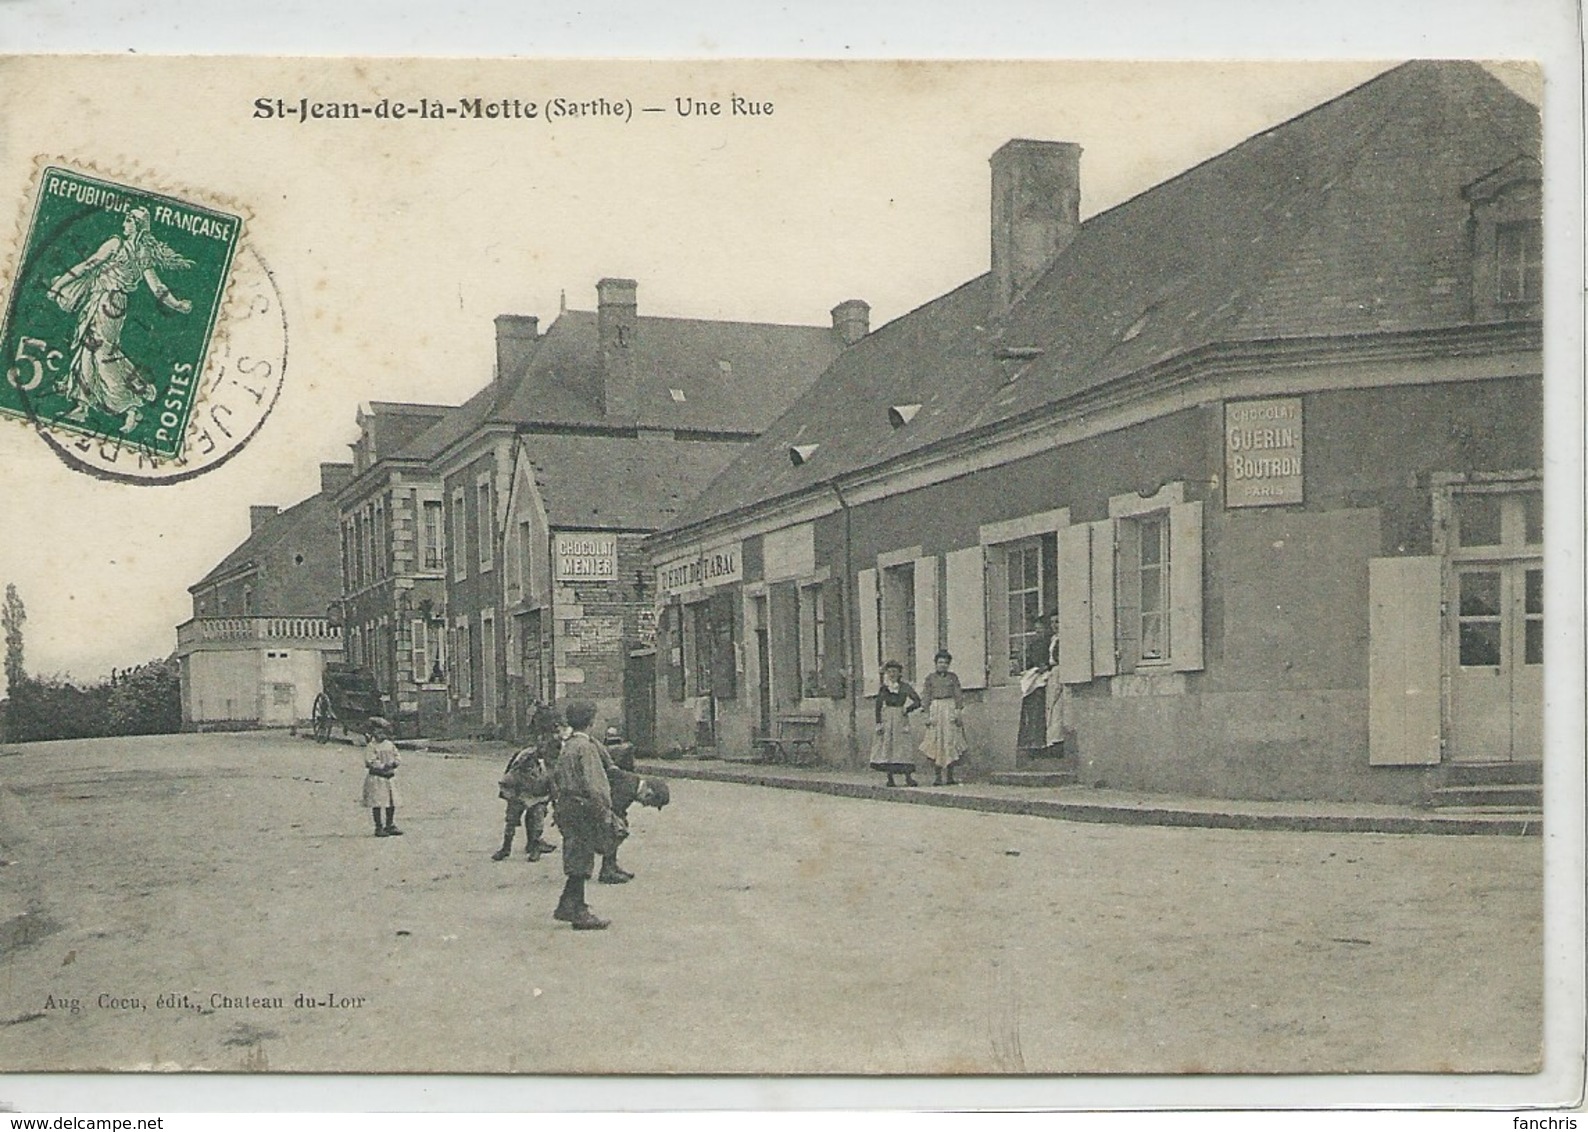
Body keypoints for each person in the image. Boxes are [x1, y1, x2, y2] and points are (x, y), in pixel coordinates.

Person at [46, 206, 194, 433]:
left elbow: (88, 265)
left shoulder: (116, 244)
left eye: (127, 221)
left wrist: (58, 285)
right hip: (112, 303)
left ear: (136, 225)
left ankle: (131, 404)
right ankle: (83, 405)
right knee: (92, 350)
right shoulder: (142, 253)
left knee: (102, 353)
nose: (123, 225)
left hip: (106, 302)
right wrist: (177, 304)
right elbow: (158, 288)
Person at [549, 701, 622, 930]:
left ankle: (569, 905)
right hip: (582, 807)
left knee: (576, 855)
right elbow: (595, 785)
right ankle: (577, 910)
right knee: (581, 858)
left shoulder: (567, 745)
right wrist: (605, 810)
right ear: (590, 721)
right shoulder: (586, 747)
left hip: (567, 805)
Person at [490, 704, 559, 862]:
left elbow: (553, 779)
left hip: (539, 790)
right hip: (520, 790)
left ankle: (534, 846)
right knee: (512, 818)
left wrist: (554, 800)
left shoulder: (552, 757)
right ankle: (506, 847)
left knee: (537, 817)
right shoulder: (526, 755)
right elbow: (511, 774)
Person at [1016, 612, 1062, 760]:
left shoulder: (1056, 640)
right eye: (1052, 623)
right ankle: (1039, 745)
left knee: (1054, 711)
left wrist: (1046, 666)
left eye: (1057, 622)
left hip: (1054, 675)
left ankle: (1052, 745)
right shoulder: (1042, 642)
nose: (1054, 626)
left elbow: (1054, 659)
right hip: (1043, 677)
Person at [869, 660, 922, 787]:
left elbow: (917, 701)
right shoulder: (884, 688)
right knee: (888, 746)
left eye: (895, 671)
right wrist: (879, 723)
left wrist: (907, 709)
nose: (892, 674)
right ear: (886, 673)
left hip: (900, 718)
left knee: (903, 746)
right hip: (887, 718)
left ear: (899, 673)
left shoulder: (904, 687)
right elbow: (878, 706)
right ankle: (890, 778)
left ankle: (908, 778)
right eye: (890, 672)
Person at [918, 649, 968, 786]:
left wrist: (958, 712)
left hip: (949, 708)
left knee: (951, 741)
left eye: (946, 663)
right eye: (940, 662)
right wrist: (926, 715)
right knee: (936, 742)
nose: (943, 665)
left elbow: (958, 695)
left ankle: (950, 776)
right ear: (935, 664)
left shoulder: (953, 677)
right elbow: (926, 696)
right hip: (936, 710)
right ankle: (938, 776)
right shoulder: (930, 678)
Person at [360, 717, 402, 837]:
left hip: (389, 777)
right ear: (372, 733)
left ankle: (390, 824)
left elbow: (397, 756)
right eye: (377, 732)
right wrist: (382, 766)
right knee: (377, 802)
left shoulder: (389, 745)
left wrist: (395, 762)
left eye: (383, 732)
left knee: (391, 801)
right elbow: (370, 761)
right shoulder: (371, 746)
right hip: (377, 778)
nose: (380, 734)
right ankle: (378, 826)